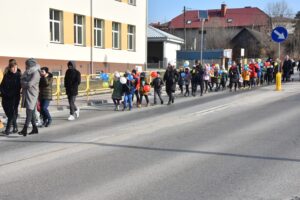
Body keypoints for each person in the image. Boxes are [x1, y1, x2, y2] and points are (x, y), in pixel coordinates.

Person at [18, 58, 41, 136]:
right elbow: (21, 80)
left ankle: (25, 129)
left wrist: (24, 83)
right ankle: (35, 128)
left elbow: (30, 84)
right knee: (32, 112)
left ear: (30, 65)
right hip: (27, 93)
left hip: (32, 94)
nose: (26, 66)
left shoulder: (36, 73)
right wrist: (24, 83)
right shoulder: (27, 72)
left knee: (29, 112)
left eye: (27, 65)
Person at [0, 59, 21, 135]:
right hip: (5, 97)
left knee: (12, 113)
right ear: (10, 68)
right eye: (13, 67)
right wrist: (3, 93)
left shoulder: (19, 75)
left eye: (15, 67)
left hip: (14, 97)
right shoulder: (7, 75)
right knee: (8, 113)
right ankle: (15, 127)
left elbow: (19, 87)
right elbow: (1, 86)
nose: (14, 69)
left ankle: (7, 130)